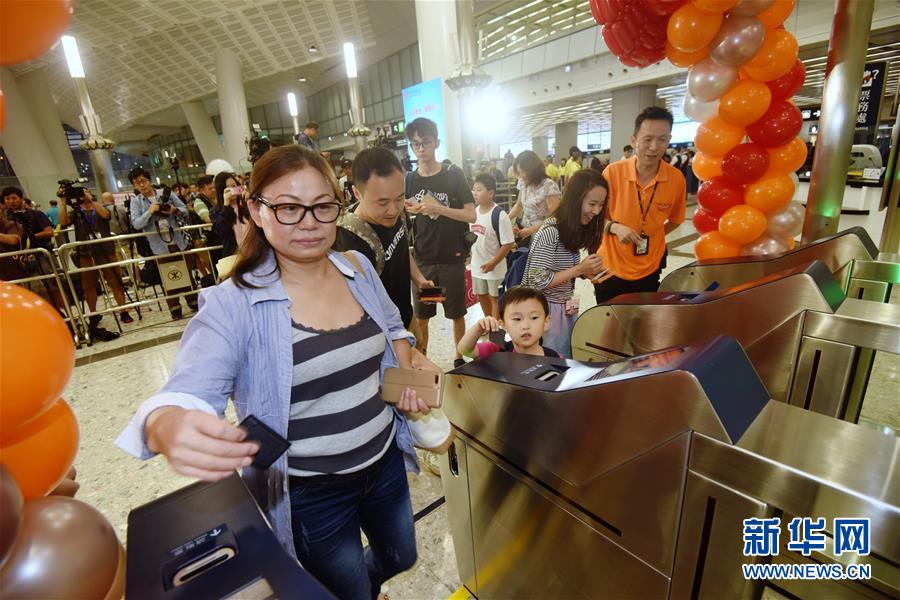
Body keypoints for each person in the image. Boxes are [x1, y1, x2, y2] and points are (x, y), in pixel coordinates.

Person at [116, 145, 427, 600]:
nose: (309, 222)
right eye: (287, 208)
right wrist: (168, 424)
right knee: (349, 591)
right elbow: (186, 390)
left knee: (402, 555)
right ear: (256, 211)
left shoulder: (357, 268)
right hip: (310, 490)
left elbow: (395, 327)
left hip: (382, 463)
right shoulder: (234, 304)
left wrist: (410, 368)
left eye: (322, 206)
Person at [333, 147, 433, 329]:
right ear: (357, 193)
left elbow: (401, 250)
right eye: (382, 202)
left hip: (406, 317)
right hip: (382, 334)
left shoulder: (397, 213)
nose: (393, 209)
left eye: (399, 198)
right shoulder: (348, 240)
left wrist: (420, 280)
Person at [404, 117, 476, 368]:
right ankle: (423, 360)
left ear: (436, 143)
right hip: (426, 261)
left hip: (451, 258)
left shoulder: (452, 175)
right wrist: (412, 209)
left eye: (425, 143)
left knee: (456, 313)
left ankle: (459, 360)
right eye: (415, 144)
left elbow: (470, 214)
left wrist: (439, 208)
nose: (421, 149)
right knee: (424, 316)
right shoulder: (411, 179)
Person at [596, 106, 686, 305]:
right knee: (608, 325)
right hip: (609, 267)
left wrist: (652, 235)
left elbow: (677, 220)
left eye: (662, 139)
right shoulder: (613, 173)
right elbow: (593, 218)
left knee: (642, 325)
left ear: (669, 140)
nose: (654, 147)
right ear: (634, 140)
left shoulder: (676, 178)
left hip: (650, 268)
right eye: (647, 139)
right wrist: (615, 227)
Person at [522, 169, 607, 358]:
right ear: (576, 200)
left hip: (563, 309)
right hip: (545, 312)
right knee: (552, 365)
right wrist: (579, 269)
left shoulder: (571, 229)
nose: (597, 211)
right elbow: (536, 280)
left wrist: (585, 272)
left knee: (563, 360)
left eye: (601, 205)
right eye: (592, 204)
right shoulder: (551, 231)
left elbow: (559, 269)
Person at [58, 186, 133, 339]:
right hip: (86, 252)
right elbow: (62, 222)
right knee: (89, 285)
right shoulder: (75, 211)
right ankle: (93, 315)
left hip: (106, 250)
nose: (82, 195)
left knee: (115, 282)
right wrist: (64, 201)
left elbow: (106, 215)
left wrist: (91, 199)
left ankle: (123, 311)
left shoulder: (100, 207)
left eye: (84, 191)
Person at [127, 167, 197, 319]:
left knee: (186, 271)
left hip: (178, 240)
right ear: (134, 186)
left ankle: (192, 300)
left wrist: (173, 210)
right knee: (168, 275)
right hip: (158, 243)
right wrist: (150, 211)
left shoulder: (166, 193)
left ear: (150, 180)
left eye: (143, 181)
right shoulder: (136, 202)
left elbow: (185, 210)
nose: (141, 185)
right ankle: (175, 307)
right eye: (137, 183)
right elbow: (136, 224)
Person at [2, 186, 65, 310]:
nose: (11, 201)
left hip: (41, 255)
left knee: (54, 286)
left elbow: (49, 232)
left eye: (14, 198)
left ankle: (63, 314)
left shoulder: (36, 214)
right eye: (7, 199)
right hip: (20, 260)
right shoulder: (7, 220)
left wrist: (29, 237)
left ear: (21, 199)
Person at [458, 286, 562, 359]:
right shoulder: (497, 350)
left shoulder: (555, 358)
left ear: (546, 322)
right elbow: (465, 350)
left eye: (534, 318)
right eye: (517, 319)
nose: (525, 326)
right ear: (503, 325)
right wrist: (478, 329)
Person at [469, 173, 515, 320]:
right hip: (477, 265)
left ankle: (496, 327)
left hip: (495, 268)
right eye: (474, 189)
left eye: (479, 189)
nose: (475, 193)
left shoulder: (499, 214)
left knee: (495, 298)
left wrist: (493, 262)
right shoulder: (472, 213)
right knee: (481, 295)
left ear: (490, 193)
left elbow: (508, 243)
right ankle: (489, 322)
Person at [508, 150, 561, 243]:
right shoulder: (524, 183)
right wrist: (506, 219)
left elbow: (554, 216)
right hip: (527, 234)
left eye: (522, 172)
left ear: (532, 169)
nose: (521, 176)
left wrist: (531, 230)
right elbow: (519, 204)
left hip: (545, 235)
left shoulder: (548, 185)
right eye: (519, 173)